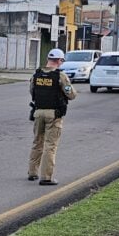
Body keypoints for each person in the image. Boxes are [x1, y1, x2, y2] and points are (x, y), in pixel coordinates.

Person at [27, 48, 77, 186]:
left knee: (37, 142)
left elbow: (32, 91)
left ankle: (32, 173)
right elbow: (71, 94)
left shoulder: (36, 74)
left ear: (48, 59)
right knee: (50, 145)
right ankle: (46, 177)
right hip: (53, 115)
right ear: (59, 61)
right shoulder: (60, 76)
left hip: (38, 112)